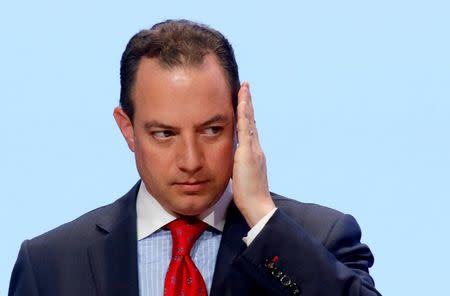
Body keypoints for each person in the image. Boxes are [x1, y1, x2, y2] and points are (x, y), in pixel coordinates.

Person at [9, 19, 381, 296]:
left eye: (211, 130)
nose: (190, 161)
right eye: (165, 134)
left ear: (239, 122)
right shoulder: (49, 266)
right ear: (128, 130)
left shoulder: (319, 239)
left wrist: (263, 220)